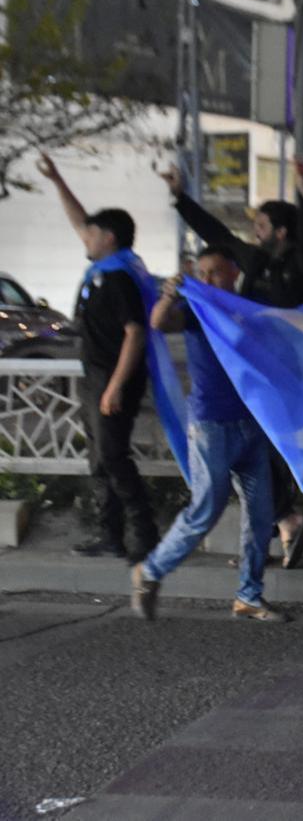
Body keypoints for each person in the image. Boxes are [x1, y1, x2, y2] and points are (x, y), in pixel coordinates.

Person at [159, 158, 303, 568]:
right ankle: (273, 530)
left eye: (263, 226)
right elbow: (218, 236)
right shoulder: (256, 262)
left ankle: (282, 522)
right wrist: (181, 199)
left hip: (288, 373)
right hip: (250, 375)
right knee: (255, 457)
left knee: (273, 451)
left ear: (282, 232)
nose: (256, 232)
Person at [130, 247, 286, 623]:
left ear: (234, 272)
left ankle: (249, 596)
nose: (208, 279)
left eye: (215, 272)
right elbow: (159, 322)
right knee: (206, 509)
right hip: (211, 425)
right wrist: (169, 294)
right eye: (202, 273)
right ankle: (149, 572)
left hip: (249, 424)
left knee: (261, 515)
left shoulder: (249, 309)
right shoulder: (198, 310)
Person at [38, 154, 159, 562]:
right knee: (99, 460)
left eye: (91, 234)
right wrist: (57, 179)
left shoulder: (120, 276)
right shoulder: (106, 269)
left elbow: (135, 333)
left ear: (108, 237)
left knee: (112, 457)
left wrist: (115, 386)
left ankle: (145, 535)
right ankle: (111, 535)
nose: (84, 237)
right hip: (96, 375)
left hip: (111, 376)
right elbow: (79, 221)